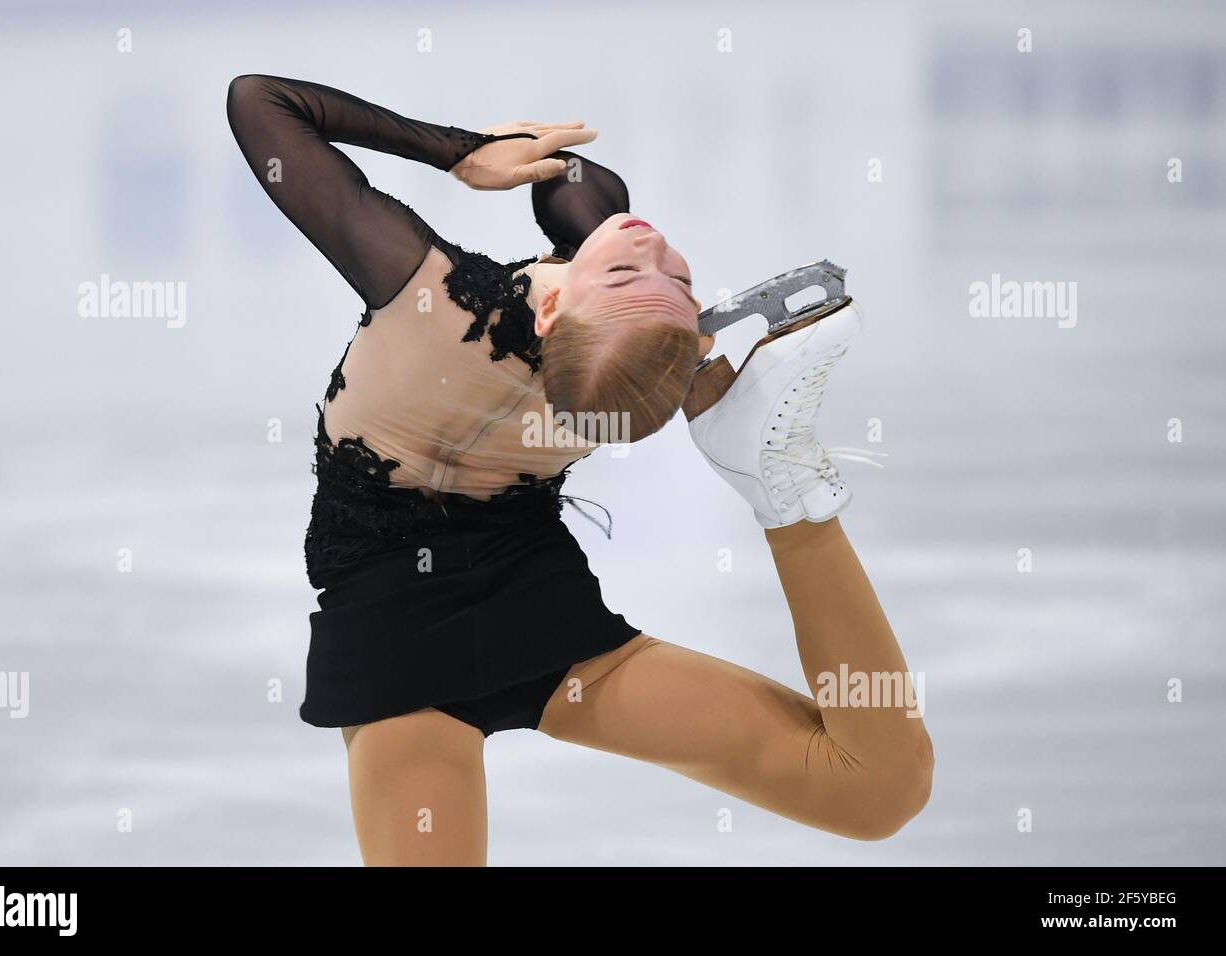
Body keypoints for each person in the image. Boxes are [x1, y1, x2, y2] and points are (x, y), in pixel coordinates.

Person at [227, 73, 933, 865]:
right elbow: (589, 199)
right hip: (397, 649)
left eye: (674, 283)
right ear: (556, 304)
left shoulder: (430, 289)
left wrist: (459, 153)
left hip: (526, 607)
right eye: (642, 275)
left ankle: (785, 482)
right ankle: (761, 462)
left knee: (879, 787)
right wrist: (533, 168)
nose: (654, 252)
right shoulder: (635, 353)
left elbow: (262, 103)